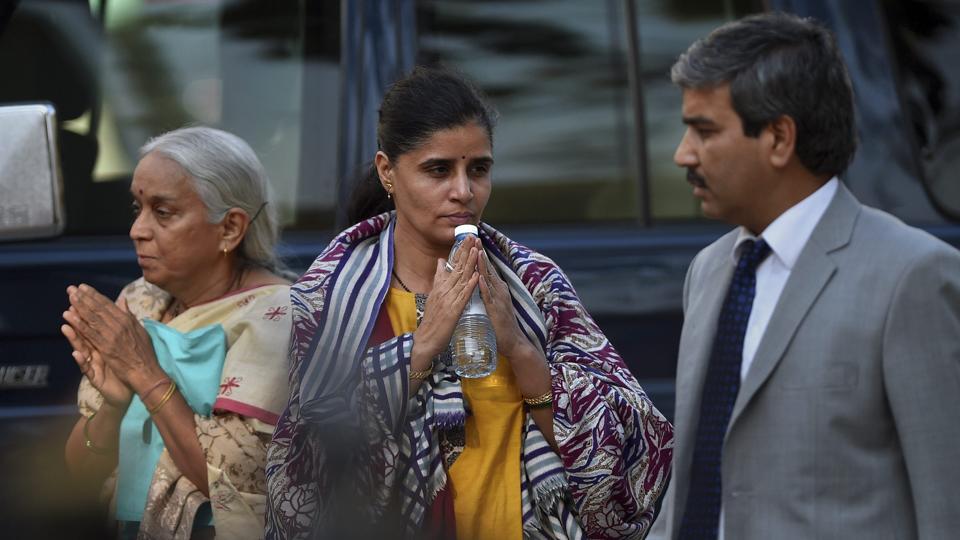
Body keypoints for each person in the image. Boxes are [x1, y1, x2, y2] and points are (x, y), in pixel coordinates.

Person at [265, 66, 673, 540]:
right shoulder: (329, 297)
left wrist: (520, 350)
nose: (464, 191)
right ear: (387, 172)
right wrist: (419, 349)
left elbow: (633, 456)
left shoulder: (534, 285)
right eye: (438, 170)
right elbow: (304, 477)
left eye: (478, 169)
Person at [648, 12, 960, 540]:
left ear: (778, 138)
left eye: (705, 131)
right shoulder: (710, 271)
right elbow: (697, 480)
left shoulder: (912, 277)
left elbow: (948, 506)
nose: (683, 154)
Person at [62, 126, 293, 539]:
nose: (138, 230)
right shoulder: (140, 301)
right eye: (138, 208)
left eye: (163, 212)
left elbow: (239, 485)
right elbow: (79, 473)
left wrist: (145, 374)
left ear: (230, 228)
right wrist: (113, 406)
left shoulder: (278, 316)